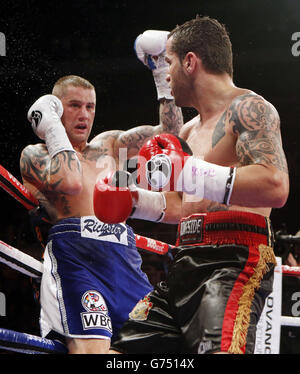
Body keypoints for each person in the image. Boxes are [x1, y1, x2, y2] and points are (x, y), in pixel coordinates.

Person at [97, 16, 289, 354]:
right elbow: (177, 205)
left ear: (190, 62)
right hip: (183, 259)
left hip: (233, 260)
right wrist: (133, 200)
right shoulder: (187, 132)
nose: (166, 73)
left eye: (168, 62)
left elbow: (274, 185)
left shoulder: (249, 108)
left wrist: (188, 172)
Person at [20, 40, 183, 354]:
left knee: (168, 346)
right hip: (76, 257)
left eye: (90, 106)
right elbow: (70, 182)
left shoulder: (109, 146)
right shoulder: (36, 155)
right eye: (74, 105)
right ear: (53, 108)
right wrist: (51, 126)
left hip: (124, 258)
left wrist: (162, 71)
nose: (84, 114)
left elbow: (169, 136)